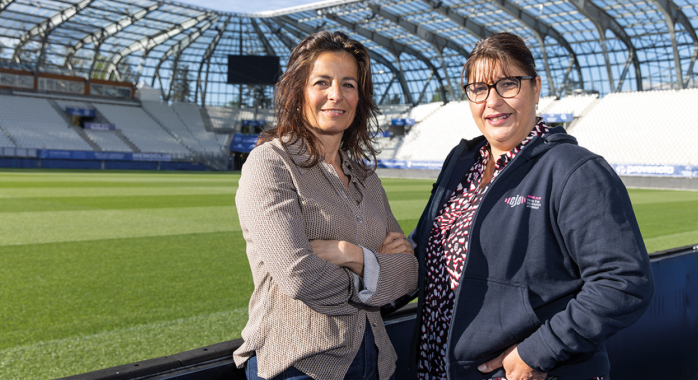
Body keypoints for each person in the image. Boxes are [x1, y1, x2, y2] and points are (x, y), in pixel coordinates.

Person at [408, 32, 654, 380]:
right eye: (478, 89)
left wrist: (538, 352)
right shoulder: (460, 163)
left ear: (535, 87)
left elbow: (624, 281)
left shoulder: (573, 170)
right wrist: (364, 264)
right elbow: (423, 257)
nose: (492, 101)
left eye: (508, 84)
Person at [233, 31, 418, 380]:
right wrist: (376, 270)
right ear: (298, 91)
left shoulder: (367, 178)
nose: (337, 95)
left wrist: (353, 255)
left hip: (376, 361)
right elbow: (298, 276)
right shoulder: (271, 163)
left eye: (349, 84)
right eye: (322, 82)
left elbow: (409, 272)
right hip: (301, 366)